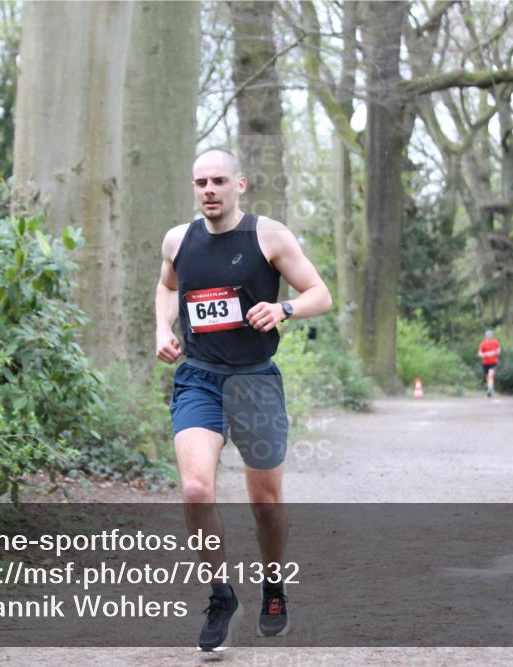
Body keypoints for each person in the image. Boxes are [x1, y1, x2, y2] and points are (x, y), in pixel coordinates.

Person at [154, 148, 332, 653]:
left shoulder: (268, 236)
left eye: (217, 181)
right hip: (199, 379)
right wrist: (162, 329)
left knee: (266, 505)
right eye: (199, 182)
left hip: (254, 381)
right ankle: (220, 594)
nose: (207, 190)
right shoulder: (178, 240)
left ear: (240, 184)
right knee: (194, 489)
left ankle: (274, 586)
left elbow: (321, 292)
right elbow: (167, 288)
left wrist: (284, 307)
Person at [478, 329, 501, 397]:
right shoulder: (483, 343)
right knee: (488, 377)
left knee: (491, 375)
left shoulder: (495, 342)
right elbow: (479, 353)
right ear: (486, 336)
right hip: (485, 363)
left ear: (492, 336)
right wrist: (484, 354)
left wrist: (496, 352)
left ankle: (489, 389)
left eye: (490, 335)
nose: (489, 336)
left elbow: (499, 350)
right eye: (488, 335)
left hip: (493, 362)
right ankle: (490, 388)